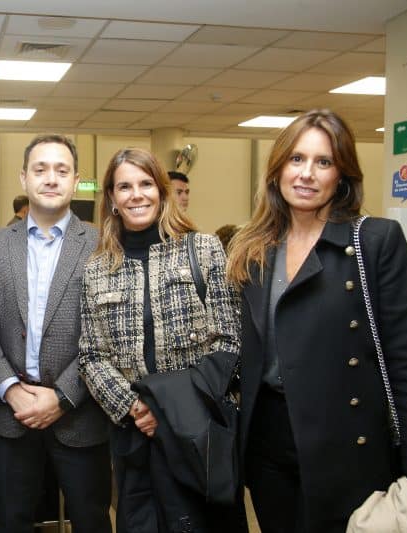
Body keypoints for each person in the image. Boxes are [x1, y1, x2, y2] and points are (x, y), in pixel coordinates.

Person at [225, 109, 407, 532]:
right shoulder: (253, 248)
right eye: (296, 159)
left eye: (323, 162)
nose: (306, 174)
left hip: (347, 448)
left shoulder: (375, 241)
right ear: (277, 169)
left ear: (341, 175)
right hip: (268, 445)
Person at [79, 148, 244, 532]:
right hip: (135, 438)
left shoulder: (202, 250)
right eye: (125, 187)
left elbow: (230, 340)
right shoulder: (97, 269)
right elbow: (91, 356)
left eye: (146, 184)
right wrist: (135, 408)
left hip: (198, 434)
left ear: (161, 191)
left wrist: (168, 408)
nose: (136, 195)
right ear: (112, 198)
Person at [0, 134, 112, 533]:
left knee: (92, 521)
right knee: (12, 521)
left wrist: (64, 396)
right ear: (24, 178)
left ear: (75, 181)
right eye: (40, 169)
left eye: (61, 170)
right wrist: (10, 390)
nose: (51, 178)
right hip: (10, 415)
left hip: (81, 415)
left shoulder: (103, 244)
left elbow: (106, 333)